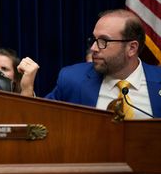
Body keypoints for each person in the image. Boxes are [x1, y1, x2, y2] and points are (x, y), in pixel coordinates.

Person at [19, 9, 161, 119]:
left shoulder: (158, 81)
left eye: (104, 41)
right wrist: (27, 90)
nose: (93, 48)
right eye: (94, 39)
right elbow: (40, 122)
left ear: (131, 48)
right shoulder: (73, 79)